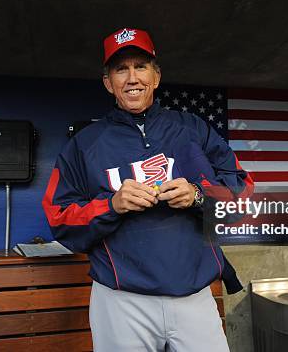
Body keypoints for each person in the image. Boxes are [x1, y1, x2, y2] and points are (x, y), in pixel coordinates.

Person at [42, 28, 252, 352]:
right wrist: (112, 204)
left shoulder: (192, 128)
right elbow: (58, 217)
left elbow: (242, 193)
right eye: (120, 69)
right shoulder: (84, 145)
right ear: (108, 83)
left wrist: (199, 196)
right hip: (121, 298)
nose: (132, 77)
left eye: (140, 66)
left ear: (156, 76)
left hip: (194, 293)